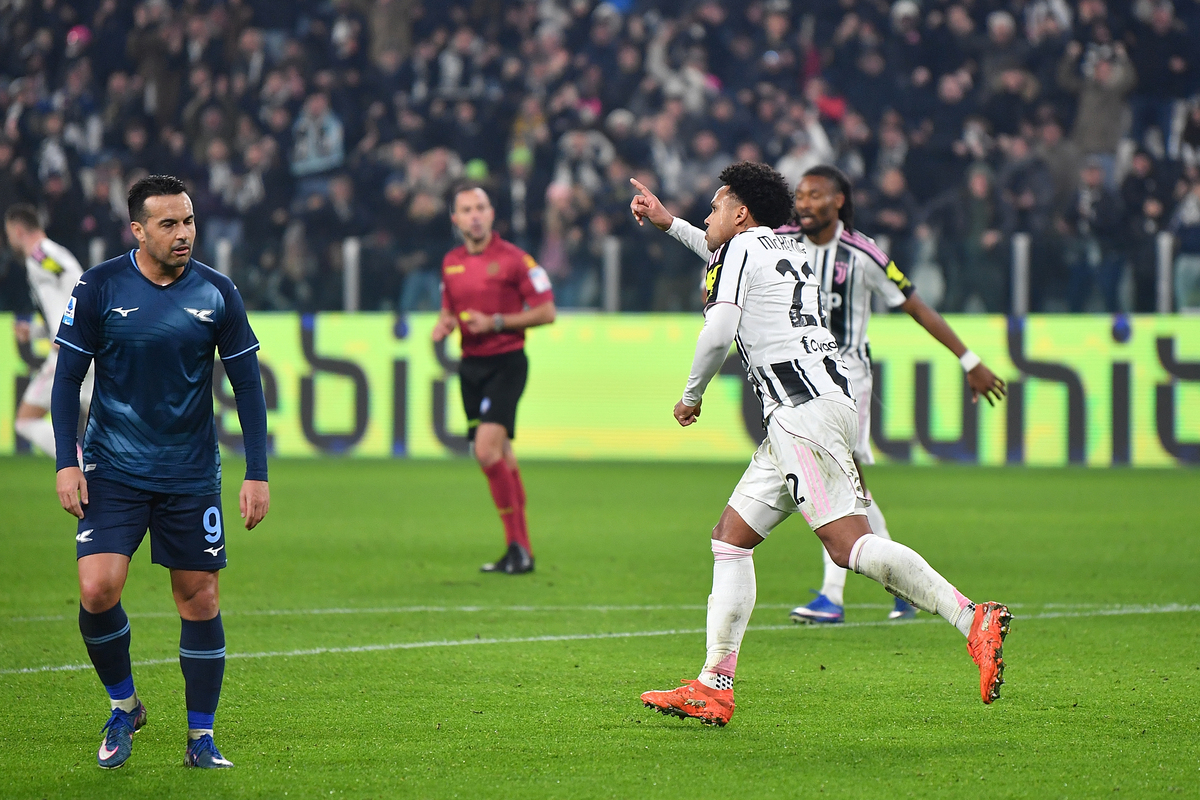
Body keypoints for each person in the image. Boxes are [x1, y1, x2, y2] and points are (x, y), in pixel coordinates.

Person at [629, 162, 1010, 726]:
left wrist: (692, 395)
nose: (707, 216)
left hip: (801, 411)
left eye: (715, 206)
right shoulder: (778, 248)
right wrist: (670, 223)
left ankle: (971, 617)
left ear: (741, 213)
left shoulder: (743, 251)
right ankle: (715, 685)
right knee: (731, 540)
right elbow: (716, 248)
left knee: (846, 545)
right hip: (808, 406)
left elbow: (718, 330)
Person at [50, 175, 270, 769]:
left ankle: (201, 739)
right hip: (113, 468)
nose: (183, 234)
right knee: (97, 589)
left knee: (197, 597)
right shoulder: (99, 288)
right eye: (169, 224)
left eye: (189, 221)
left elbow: (246, 383)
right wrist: (66, 462)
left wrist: (258, 471)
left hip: (190, 472)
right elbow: (67, 379)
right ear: (138, 230)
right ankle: (125, 705)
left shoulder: (218, 292)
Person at [783, 165, 1006, 623]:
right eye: (800, 195)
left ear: (839, 200)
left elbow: (916, 306)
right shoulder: (781, 242)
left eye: (815, 194)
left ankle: (832, 596)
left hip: (848, 379)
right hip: (802, 378)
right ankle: (904, 589)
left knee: (835, 482)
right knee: (852, 486)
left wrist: (969, 360)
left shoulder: (862, 255)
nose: (804, 203)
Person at [432, 184, 556, 574]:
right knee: (501, 455)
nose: (474, 215)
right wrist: (445, 323)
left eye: (481, 207)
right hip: (471, 368)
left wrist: (497, 322)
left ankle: (518, 547)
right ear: (455, 218)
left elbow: (547, 311)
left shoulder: (516, 260)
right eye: (466, 209)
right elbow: (449, 308)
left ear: (491, 214)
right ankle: (519, 550)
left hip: (506, 363)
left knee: (485, 451)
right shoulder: (450, 262)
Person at [4, 203, 92, 457]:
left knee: (25, 420)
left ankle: (76, 466)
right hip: (82, 349)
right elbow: (62, 304)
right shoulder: (49, 253)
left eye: (9, 234)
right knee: (102, 425)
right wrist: (34, 332)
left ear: (18, 230)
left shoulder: (40, 255)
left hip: (68, 353)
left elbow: (75, 282)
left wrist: (72, 333)